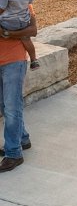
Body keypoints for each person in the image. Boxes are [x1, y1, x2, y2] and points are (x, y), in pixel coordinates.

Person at [0, 12, 39, 172]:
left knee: (11, 107)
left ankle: (14, 153)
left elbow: (32, 30)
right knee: (4, 105)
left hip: (13, 61)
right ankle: (22, 139)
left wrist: (7, 33)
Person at [0, 0, 37, 70]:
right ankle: (34, 60)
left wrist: (6, 32)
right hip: (23, 21)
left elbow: (2, 7)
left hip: (13, 61)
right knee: (26, 38)